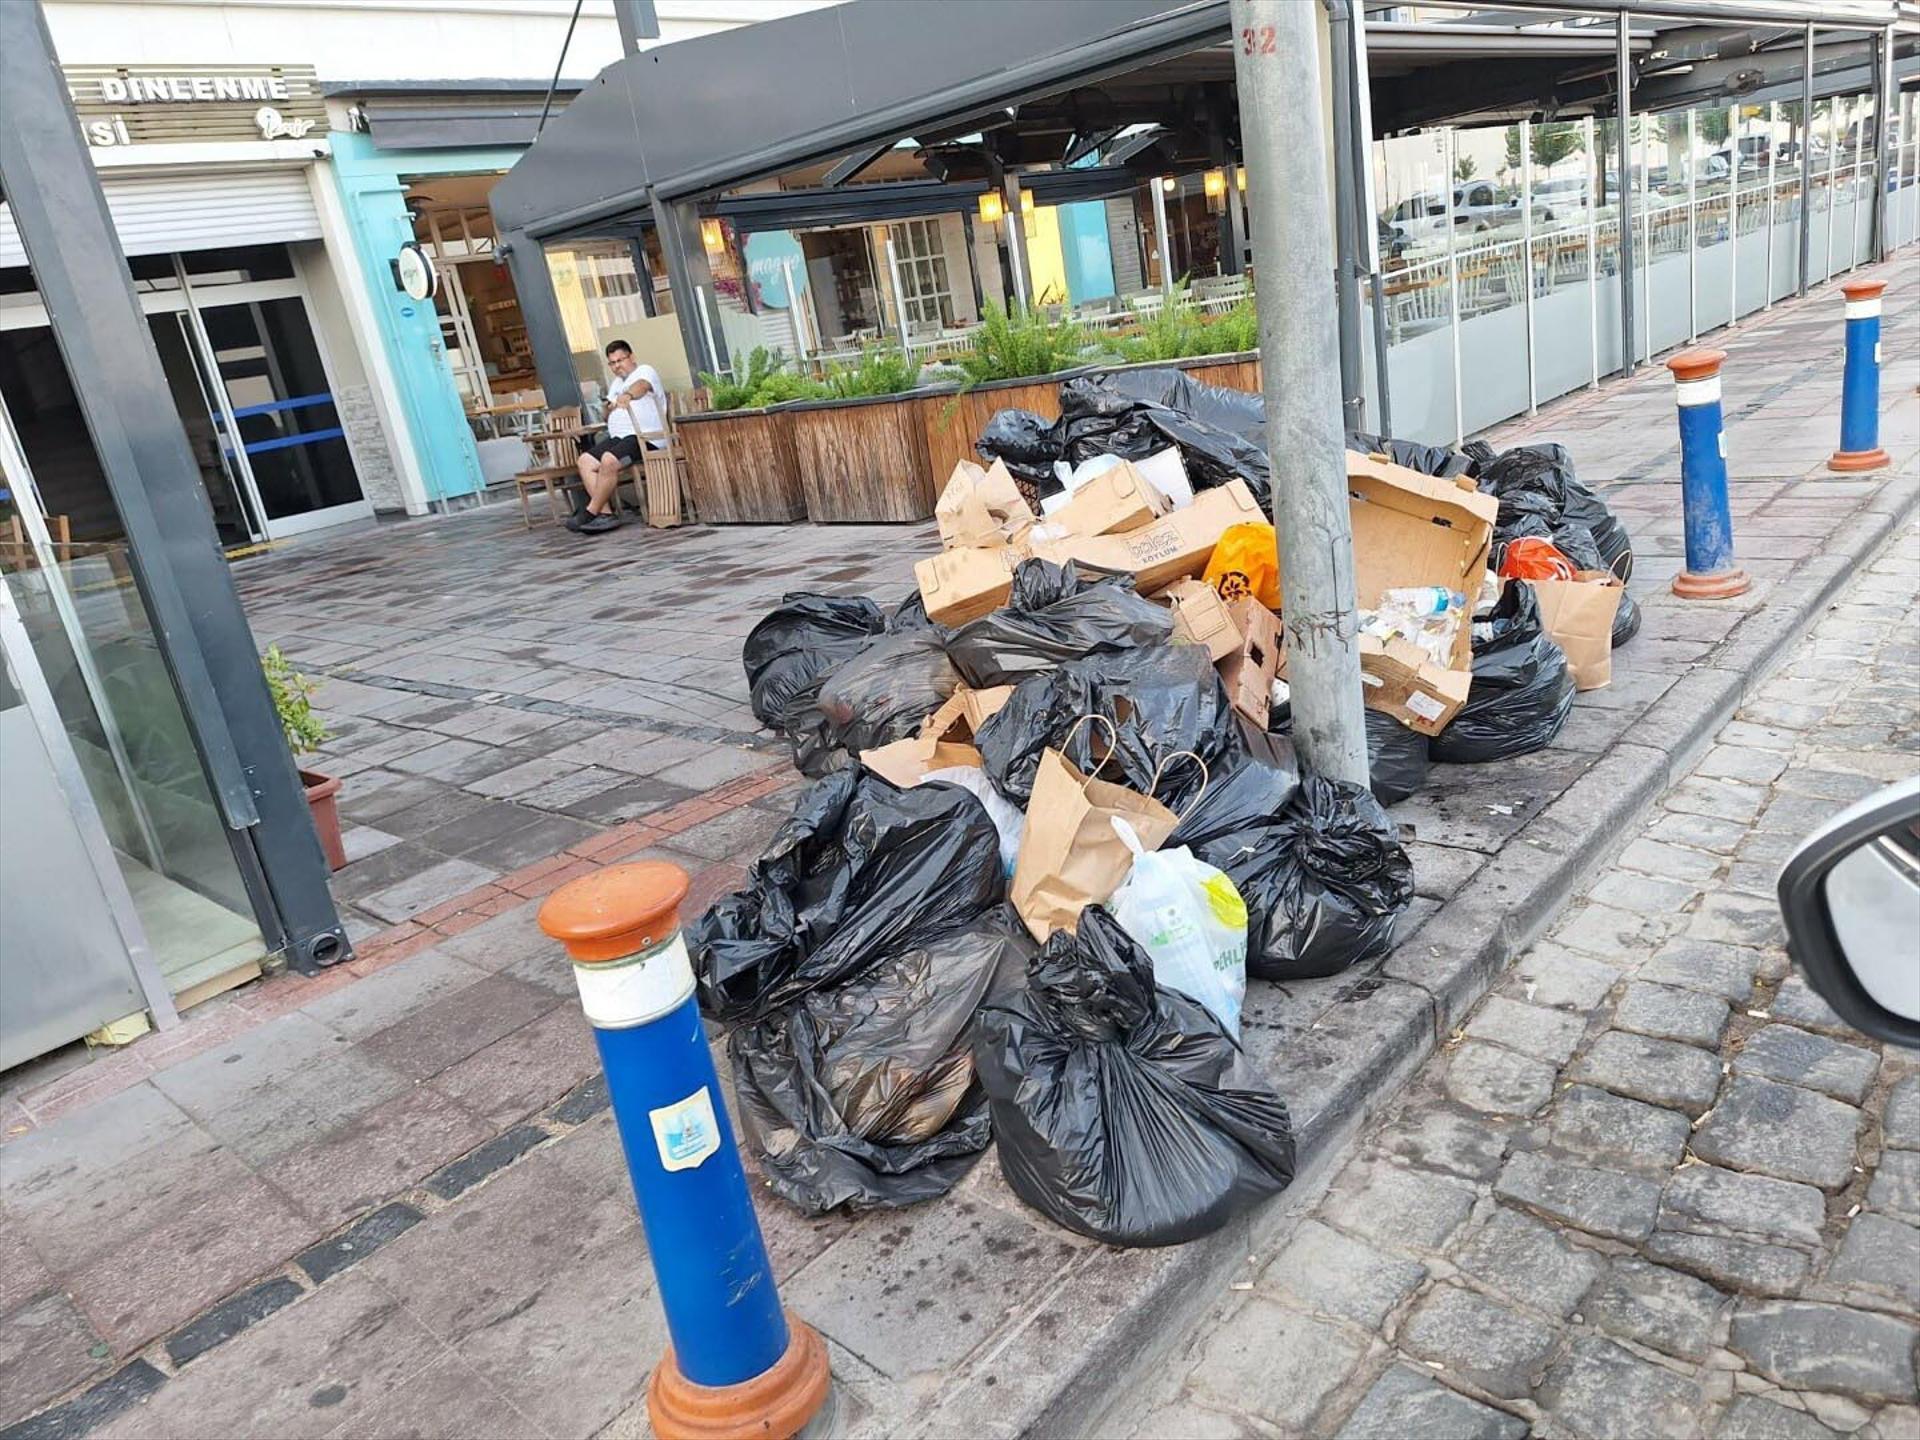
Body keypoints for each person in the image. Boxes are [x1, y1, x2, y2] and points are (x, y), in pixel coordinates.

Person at [569, 339, 665, 534]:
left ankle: (590, 512)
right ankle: (605, 515)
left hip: (645, 438)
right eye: (612, 363)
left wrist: (628, 396)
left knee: (609, 460)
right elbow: (606, 415)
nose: (616, 366)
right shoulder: (615, 384)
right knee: (585, 461)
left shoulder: (644, 371)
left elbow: (642, 386)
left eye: (620, 360)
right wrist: (607, 407)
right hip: (620, 437)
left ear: (632, 357)